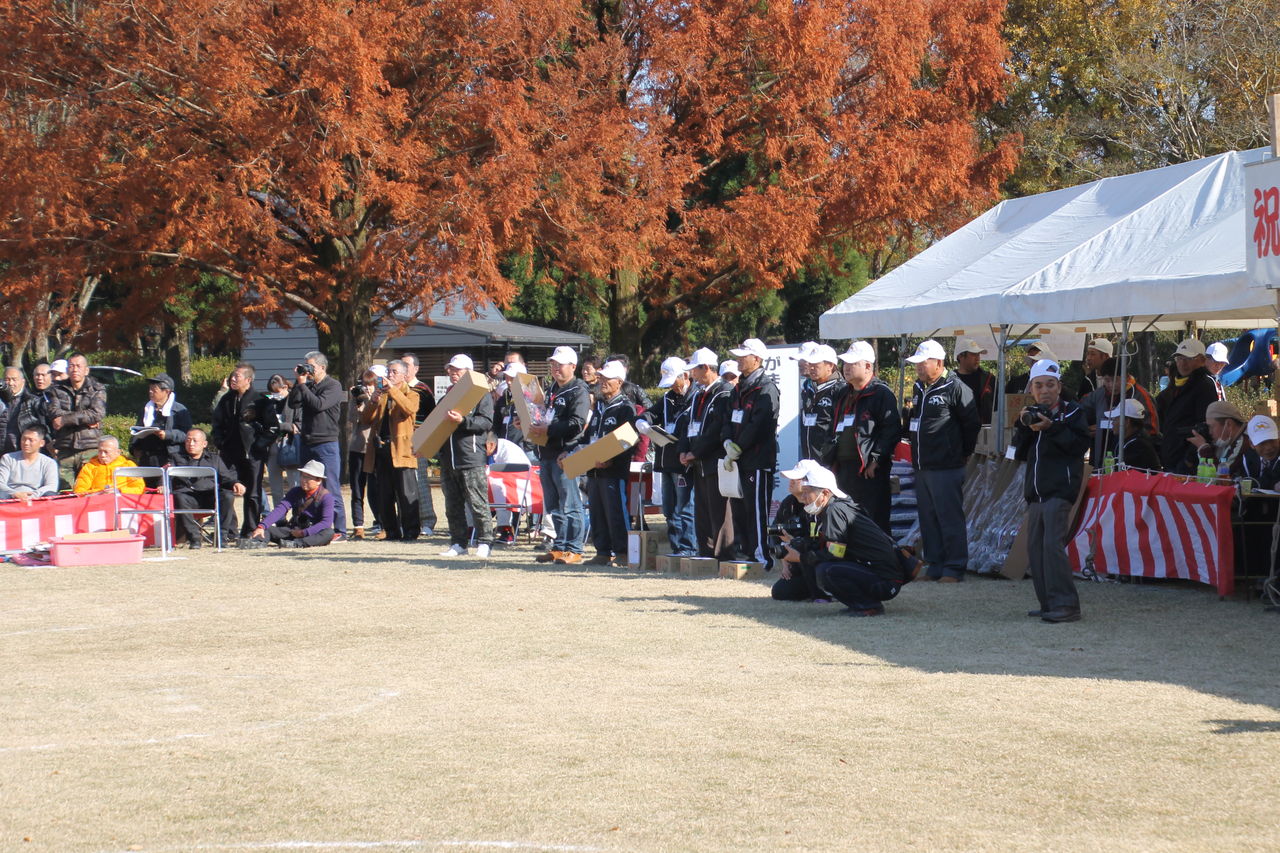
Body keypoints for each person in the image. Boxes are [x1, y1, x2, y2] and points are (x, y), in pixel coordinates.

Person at [776, 464, 919, 616]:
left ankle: (867, 606)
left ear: (825, 493)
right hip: (884, 577)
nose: (803, 498)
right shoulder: (836, 507)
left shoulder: (834, 510)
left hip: (886, 581)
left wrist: (800, 557)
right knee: (822, 567)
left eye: (806, 493)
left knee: (826, 570)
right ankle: (861, 604)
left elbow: (835, 552)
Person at [1012, 359, 1091, 623]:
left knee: (1051, 546)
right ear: (1031, 389)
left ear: (1059, 386)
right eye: (1039, 386)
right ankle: (1048, 604)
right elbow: (1018, 454)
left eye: (1050, 385)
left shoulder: (1072, 412)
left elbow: (1079, 446)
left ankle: (1067, 605)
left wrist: (1052, 427)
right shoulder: (1033, 412)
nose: (1044, 390)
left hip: (1060, 490)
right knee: (1035, 549)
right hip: (1036, 492)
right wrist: (1024, 426)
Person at [905, 339, 979, 582]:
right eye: (916, 363)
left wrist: (962, 453)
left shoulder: (955, 387)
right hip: (922, 465)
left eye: (922, 363)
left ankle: (954, 567)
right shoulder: (919, 387)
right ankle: (935, 565)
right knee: (928, 518)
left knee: (949, 518)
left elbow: (971, 424)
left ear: (938, 362)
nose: (918, 367)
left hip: (947, 465)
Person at [826, 340, 901, 534]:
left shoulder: (881, 394)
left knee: (873, 520)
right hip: (843, 469)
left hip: (868, 470)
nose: (846, 367)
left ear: (868, 366)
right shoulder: (843, 393)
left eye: (852, 363)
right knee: (846, 518)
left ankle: (881, 554)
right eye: (845, 363)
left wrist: (875, 460)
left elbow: (891, 430)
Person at [526, 345, 591, 565]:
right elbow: (546, 416)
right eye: (553, 364)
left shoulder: (578, 390)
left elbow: (577, 423)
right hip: (546, 452)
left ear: (573, 366)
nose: (555, 368)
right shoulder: (552, 388)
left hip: (566, 453)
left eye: (560, 364)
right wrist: (528, 423)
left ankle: (575, 549)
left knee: (571, 504)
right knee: (554, 505)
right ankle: (559, 546)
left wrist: (549, 429)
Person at [721, 337, 780, 564]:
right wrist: (727, 442)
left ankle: (761, 556)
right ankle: (746, 552)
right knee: (740, 508)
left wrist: (739, 446)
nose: (738, 360)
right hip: (738, 459)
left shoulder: (766, 387)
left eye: (742, 356)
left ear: (756, 359)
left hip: (757, 459)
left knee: (756, 510)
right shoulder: (738, 388)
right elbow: (727, 418)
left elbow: (760, 424)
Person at [678, 347, 734, 560]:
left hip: (715, 460)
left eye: (695, 369)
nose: (692, 373)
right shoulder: (698, 393)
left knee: (719, 510)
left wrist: (696, 451)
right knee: (702, 509)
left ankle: (723, 555)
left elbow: (717, 428)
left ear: (706, 368)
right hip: (697, 462)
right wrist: (684, 450)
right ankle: (706, 553)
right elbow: (688, 424)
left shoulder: (724, 392)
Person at [437, 354, 495, 558]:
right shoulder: (446, 398)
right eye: (451, 369)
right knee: (452, 505)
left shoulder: (480, 394)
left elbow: (486, 422)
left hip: (471, 457)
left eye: (457, 370)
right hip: (449, 459)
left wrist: (463, 421)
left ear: (469, 372)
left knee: (478, 503)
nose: (452, 373)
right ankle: (458, 543)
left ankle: (485, 542)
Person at [212, 362, 276, 538]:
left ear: (248, 380)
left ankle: (250, 529)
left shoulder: (260, 400)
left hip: (253, 454)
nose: (232, 379)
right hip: (229, 453)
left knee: (253, 493)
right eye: (232, 376)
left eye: (237, 376)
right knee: (225, 490)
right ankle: (227, 531)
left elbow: (273, 428)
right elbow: (217, 423)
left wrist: (259, 445)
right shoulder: (226, 399)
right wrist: (219, 441)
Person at [583, 361, 638, 566]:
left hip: (613, 471)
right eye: (601, 378)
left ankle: (622, 552)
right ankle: (602, 551)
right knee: (596, 511)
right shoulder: (598, 406)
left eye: (607, 379)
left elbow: (630, 439)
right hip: (593, 468)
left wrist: (612, 458)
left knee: (616, 511)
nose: (602, 382)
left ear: (619, 382)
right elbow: (588, 436)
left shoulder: (625, 407)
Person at [288, 351, 346, 539]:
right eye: (306, 365)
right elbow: (293, 403)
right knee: (305, 486)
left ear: (322, 367)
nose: (308, 370)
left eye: (311, 366)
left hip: (326, 443)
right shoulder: (307, 385)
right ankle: (307, 524)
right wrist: (299, 382)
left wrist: (303, 386)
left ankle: (340, 530)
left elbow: (318, 405)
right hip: (307, 441)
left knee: (331, 486)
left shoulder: (333, 385)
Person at [361, 359, 420, 542]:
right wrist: (372, 401)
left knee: (406, 493)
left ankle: (410, 531)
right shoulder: (383, 395)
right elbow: (365, 420)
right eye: (388, 372)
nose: (390, 375)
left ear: (404, 375)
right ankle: (391, 530)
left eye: (394, 372)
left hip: (401, 450)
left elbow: (409, 409)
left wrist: (393, 390)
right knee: (384, 494)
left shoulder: (412, 394)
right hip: (381, 449)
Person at [649, 356, 696, 557]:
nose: (673, 387)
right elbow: (651, 413)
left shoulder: (696, 397)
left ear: (685, 376)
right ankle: (676, 547)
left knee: (685, 507)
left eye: (675, 382)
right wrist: (643, 421)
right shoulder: (668, 398)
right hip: (664, 460)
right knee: (668, 509)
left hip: (683, 462)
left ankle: (689, 547)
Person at [169, 428, 245, 548]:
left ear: (204, 444)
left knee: (227, 496)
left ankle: (221, 537)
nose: (191, 444)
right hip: (188, 498)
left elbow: (226, 478)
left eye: (195, 441)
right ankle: (194, 538)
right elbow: (168, 476)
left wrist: (235, 483)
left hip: (210, 497)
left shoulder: (214, 459)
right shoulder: (176, 458)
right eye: (188, 440)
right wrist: (162, 483)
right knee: (179, 496)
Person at [1079, 357, 1159, 469]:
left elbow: (1153, 430)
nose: (1111, 385)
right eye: (1107, 380)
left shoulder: (1141, 395)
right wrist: (1087, 428)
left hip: (1132, 460)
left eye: (1115, 380)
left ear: (1126, 377)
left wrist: (1131, 435)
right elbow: (1080, 410)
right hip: (1102, 458)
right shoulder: (1098, 395)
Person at [46, 352, 107, 490]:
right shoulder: (56, 389)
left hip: (89, 447)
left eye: (79, 366)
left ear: (86, 370)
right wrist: (85, 418)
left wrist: (65, 419)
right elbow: (54, 413)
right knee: (65, 491)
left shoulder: (97, 388)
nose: (75, 369)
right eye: (71, 366)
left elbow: (97, 414)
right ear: (67, 369)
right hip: (65, 447)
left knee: (89, 490)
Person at [248, 459, 336, 548]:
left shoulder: (326, 497)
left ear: (319, 480)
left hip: (312, 533)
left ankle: (297, 543)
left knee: (329, 533)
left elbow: (326, 523)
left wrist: (304, 532)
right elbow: (281, 509)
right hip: (294, 531)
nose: (303, 480)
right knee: (267, 528)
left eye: (308, 477)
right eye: (303, 476)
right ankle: (258, 542)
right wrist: (262, 526)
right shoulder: (295, 491)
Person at [401, 352, 439, 536]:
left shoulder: (423, 389)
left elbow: (432, 418)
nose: (403, 369)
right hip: (399, 442)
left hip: (418, 441)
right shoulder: (395, 389)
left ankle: (427, 521)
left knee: (420, 482)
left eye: (407, 365)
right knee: (402, 483)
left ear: (416, 369)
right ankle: (407, 521)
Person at [347, 367, 383, 540]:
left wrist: (371, 401)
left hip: (374, 447)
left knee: (377, 488)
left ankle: (381, 522)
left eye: (371, 384)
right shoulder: (357, 398)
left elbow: (377, 419)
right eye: (365, 384)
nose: (367, 387)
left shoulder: (381, 398)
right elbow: (352, 418)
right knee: (356, 488)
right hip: (357, 447)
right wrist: (357, 401)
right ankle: (358, 526)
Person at [129, 373, 192, 469]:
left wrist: (167, 434)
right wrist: (134, 448)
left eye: (154, 390)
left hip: (170, 457)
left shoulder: (179, 410)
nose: (150, 392)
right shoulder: (146, 409)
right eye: (149, 389)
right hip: (148, 457)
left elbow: (186, 434)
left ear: (166, 391)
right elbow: (137, 430)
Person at [799, 344, 845, 460]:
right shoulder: (809, 389)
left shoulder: (841, 389)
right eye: (810, 364)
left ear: (830, 365)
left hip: (829, 460)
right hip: (809, 457)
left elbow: (842, 429)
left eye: (816, 365)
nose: (811, 368)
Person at [1185, 400, 1248, 475]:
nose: (1210, 432)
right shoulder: (1226, 441)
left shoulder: (1245, 441)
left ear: (1229, 424)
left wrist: (1204, 448)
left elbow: (1222, 475)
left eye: (1211, 427)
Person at [263, 373, 298, 508]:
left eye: (277, 391)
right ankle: (279, 516)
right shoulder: (269, 403)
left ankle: (297, 513)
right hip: (273, 446)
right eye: (272, 392)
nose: (275, 394)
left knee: (294, 484)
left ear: (285, 387)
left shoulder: (294, 401)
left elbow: (297, 426)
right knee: (275, 487)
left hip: (290, 445)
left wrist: (280, 426)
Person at [0, 426, 59, 503]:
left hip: (37, 497)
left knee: (51, 495)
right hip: (11, 496)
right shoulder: (8, 458)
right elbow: (1, 483)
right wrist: (15, 494)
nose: (26, 443)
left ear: (41, 443)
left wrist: (32, 496)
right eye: (23, 439)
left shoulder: (49, 463)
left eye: (31, 440)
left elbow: (51, 486)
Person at [1102, 399, 1162, 471]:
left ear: (1127, 422)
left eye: (1115, 419)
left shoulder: (1138, 445)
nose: (1112, 423)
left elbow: (1123, 473)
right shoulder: (1129, 439)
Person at [72, 436, 144, 494]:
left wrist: (119, 490)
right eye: (100, 451)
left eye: (106, 452)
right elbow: (79, 491)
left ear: (118, 452)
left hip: (122, 502)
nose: (102, 455)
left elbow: (139, 488)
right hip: (97, 502)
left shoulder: (128, 465)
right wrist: (100, 492)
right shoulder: (90, 467)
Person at [2, 367, 44, 454]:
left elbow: (43, 426)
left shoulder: (33, 401)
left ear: (23, 381)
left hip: (23, 451)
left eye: (14, 379)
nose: (10, 383)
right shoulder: (1, 400)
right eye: (7, 379)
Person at [953, 339, 995, 425]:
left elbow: (999, 407)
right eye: (973, 354)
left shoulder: (989, 379)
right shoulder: (949, 381)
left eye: (978, 354)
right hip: (956, 431)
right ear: (961, 356)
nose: (977, 358)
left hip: (984, 430)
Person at [1239, 416, 1280, 490]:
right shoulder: (1248, 458)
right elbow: (1244, 483)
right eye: (1262, 443)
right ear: (1252, 444)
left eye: (1272, 440)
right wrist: (1273, 484)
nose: (1268, 447)